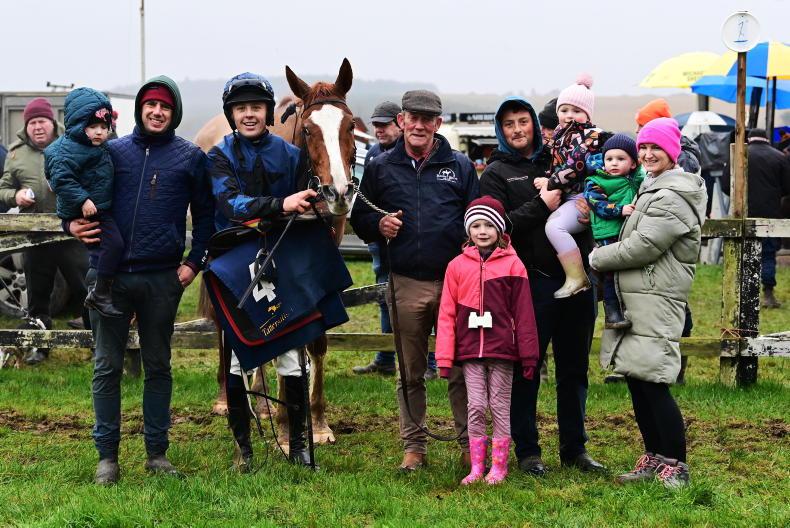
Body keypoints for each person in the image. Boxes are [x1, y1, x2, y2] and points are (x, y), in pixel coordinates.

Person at [68, 76, 215, 484]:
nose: (157, 111)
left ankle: (157, 454)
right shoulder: (110, 152)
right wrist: (70, 224)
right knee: (106, 366)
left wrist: (193, 264)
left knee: (158, 366)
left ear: (175, 112)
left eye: (165, 106)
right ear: (139, 109)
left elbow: (207, 217)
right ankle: (107, 458)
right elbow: (74, 192)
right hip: (109, 278)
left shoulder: (190, 157)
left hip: (161, 280)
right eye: (151, 104)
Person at [350, 90, 479, 471]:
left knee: (461, 369)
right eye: (413, 117)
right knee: (409, 370)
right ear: (402, 120)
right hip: (405, 280)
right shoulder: (380, 167)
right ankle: (414, 448)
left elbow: (476, 215)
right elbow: (359, 218)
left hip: (456, 282)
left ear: (438, 123)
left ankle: (469, 445)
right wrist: (378, 224)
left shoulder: (459, 166)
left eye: (427, 119)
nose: (419, 125)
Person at [480, 96, 605, 476]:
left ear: (535, 124)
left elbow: (602, 175)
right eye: (509, 124)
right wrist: (541, 205)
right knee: (527, 369)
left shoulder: (559, 158)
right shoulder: (496, 173)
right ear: (501, 131)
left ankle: (575, 448)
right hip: (531, 284)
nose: (517, 129)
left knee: (574, 369)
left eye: (523, 121)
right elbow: (494, 229)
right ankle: (528, 451)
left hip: (579, 282)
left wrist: (592, 206)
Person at [209, 72, 318, 471]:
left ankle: (300, 445)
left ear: (268, 112)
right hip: (236, 266)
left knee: (292, 353)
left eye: (256, 107)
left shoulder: (291, 155)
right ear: (232, 114)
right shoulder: (219, 155)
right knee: (239, 358)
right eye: (241, 108)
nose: (249, 114)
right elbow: (229, 203)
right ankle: (244, 448)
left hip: (281, 260)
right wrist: (279, 204)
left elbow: (308, 200)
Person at [590, 117, 706, 489]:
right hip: (639, 295)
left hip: (656, 297)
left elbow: (644, 246)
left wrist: (597, 258)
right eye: (643, 147)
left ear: (672, 153)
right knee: (638, 378)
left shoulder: (673, 195)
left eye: (656, 147)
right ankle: (655, 457)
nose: (648, 153)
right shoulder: (651, 187)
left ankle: (677, 465)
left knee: (653, 381)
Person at [436, 196, 539, 485]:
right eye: (476, 225)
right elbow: (446, 313)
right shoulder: (456, 266)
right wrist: (444, 357)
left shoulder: (514, 265)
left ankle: (499, 467)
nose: (482, 231)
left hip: (503, 350)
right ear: (468, 230)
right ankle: (476, 467)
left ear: (500, 229)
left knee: (500, 406)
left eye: (489, 225)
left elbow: (524, 313)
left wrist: (529, 355)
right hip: (470, 350)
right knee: (476, 406)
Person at [0, 97, 90, 364]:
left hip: (71, 232)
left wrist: (69, 188)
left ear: (52, 122)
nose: (38, 127)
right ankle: (40, 347)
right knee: (38, 296)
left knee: (86, 290)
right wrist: (15, 196)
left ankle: (99, 344)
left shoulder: (73, 145)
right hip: (35, 234)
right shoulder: (16, 154)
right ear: (26, 127)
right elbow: (3, 188)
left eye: (42, 121)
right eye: (32, 123)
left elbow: (92, 179)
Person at [44, 87, 123, 318]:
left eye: (104, 127)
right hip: (87, 210)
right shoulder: (66, 150)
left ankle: (95, 297)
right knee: (113, 245)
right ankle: (100, 293)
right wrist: (83, 200)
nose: (99, 132)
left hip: (97, 207)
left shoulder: (96, 147)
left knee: (103, 249)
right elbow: (62, 179)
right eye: (93, 126)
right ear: (79, 125)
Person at [534, 75, 606, 299]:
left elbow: (575, 166)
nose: (569, 115)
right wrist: (547, 177)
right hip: (573, 196)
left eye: (576, 110)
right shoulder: (560, 136)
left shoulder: (590, 136)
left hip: (588, 196)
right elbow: (556, 164)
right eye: (564, 110)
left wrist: (550, 183)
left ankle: (577, 277)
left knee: (555, 227)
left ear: (588, 114)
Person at [353, 101, 401, 377]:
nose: (379, 130)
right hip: (380, 240)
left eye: (384, 124)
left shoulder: (408, 151)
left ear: (399, 123)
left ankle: (431, 361)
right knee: (384, 296)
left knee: (422, 301)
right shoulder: (372, 153)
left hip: (408, 240)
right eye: (376, 125)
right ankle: (385, 357)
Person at [583, 134, 643, 329]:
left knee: (627, 272)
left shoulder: (637, 178)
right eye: (609, 159)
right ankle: (612, 312)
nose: (614, 163)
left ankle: (628, 308)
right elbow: (597, 204)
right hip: (608, 233)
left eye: (620, 158)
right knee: (611, 272)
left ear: (633, 163)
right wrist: (619, 209)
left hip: (628, 231)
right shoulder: (595, 181)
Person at [745, 129, 790, 308]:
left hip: (745, 212)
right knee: (768, 253)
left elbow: (726, 185)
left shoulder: (741, 154)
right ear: (767, 139)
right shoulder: (779, 157)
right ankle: (768, 293)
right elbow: (788, 187)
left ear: (749, 139)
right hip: (771, 213)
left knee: (748, 252)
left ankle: (748, 294)